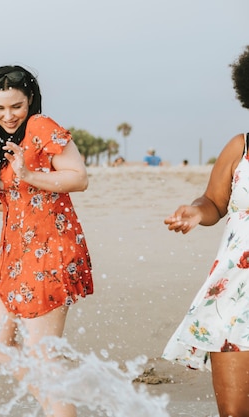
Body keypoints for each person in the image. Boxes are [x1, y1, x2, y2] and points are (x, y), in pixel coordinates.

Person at [0, 65, 93, 417]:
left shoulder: (40, 127)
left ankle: (60, 410)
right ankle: (56, 407)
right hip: (16, 253)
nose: (8, 115)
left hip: (50, 250)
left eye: (16, 106)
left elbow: (79, 178)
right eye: (0, 108)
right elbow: (17, 198)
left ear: (31, 102)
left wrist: (28, 173)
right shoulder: (7, 140)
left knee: (42, 354)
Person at [163, 45, 249, 417]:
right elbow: (214, 201)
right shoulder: (241, 147)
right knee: (234, 412)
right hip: (235, 293)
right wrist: (197, 212)